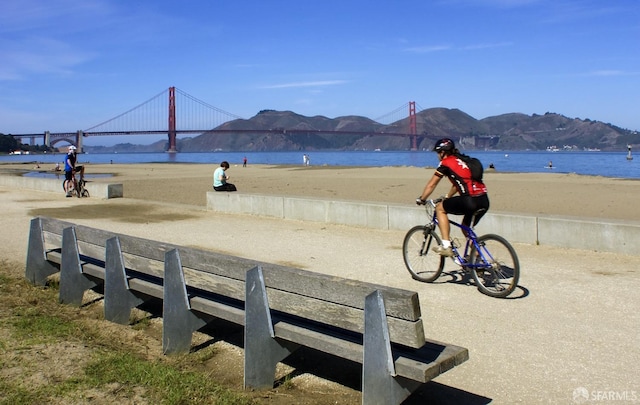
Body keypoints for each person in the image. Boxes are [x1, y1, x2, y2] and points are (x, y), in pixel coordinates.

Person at [416, 138, 490, 257]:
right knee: (466, 228)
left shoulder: (445, 163)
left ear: (443, 152)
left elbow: (432, 184)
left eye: (438, 153)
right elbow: (458, 184)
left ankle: (446, 246)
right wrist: (447, 196)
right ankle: (477, 258)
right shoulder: (463, 161)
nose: (437, 156)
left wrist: (422, 199)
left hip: (469, 200)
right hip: (484, 200)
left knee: (440, 208)